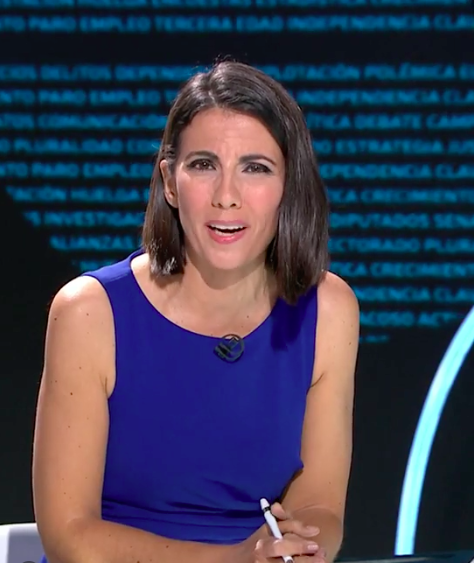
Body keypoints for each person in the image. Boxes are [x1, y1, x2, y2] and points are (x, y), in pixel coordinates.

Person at [32, 61, 359, 563]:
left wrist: (301, 547)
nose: (227, 197)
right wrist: (233, 559)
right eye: (204, 165)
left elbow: (320, 505)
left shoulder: (328, 309)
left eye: (255, 168)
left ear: (288, 186)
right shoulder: (89, 313)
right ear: (170, 181)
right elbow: (70, 536)